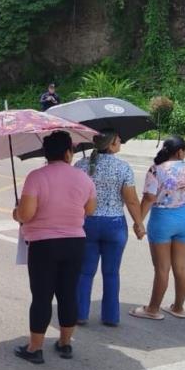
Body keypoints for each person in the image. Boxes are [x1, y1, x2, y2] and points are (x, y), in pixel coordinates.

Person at [13, 131, 96, 363]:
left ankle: (35, 349)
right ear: (69, 153)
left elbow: (26, 214)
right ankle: (65, 343)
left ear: (45, 153)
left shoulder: (36, 177)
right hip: (75, 244)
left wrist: (16, 213)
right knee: (68, 293)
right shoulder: (84, 178)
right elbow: (89, 210)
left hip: (43, 246)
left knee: (41, 296)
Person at [74, 130, 146, 326]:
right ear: (112, 144)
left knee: (85, 271)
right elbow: (131, 200)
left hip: (87, 223)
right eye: (118, 138)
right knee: (111, 272)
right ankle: (111, 316)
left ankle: (80, 314)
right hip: (114, 224)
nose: (121, 140)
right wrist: (139, 224)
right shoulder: (123, 167)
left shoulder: (80, 165)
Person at [129, 136, 185, 320]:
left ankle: (153, 309)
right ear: (180, 152)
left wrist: (138, 222)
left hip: (162, 221)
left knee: (162, 268)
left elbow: (148, 199)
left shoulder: (156, 170)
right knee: (181, 267)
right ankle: (178, 307)